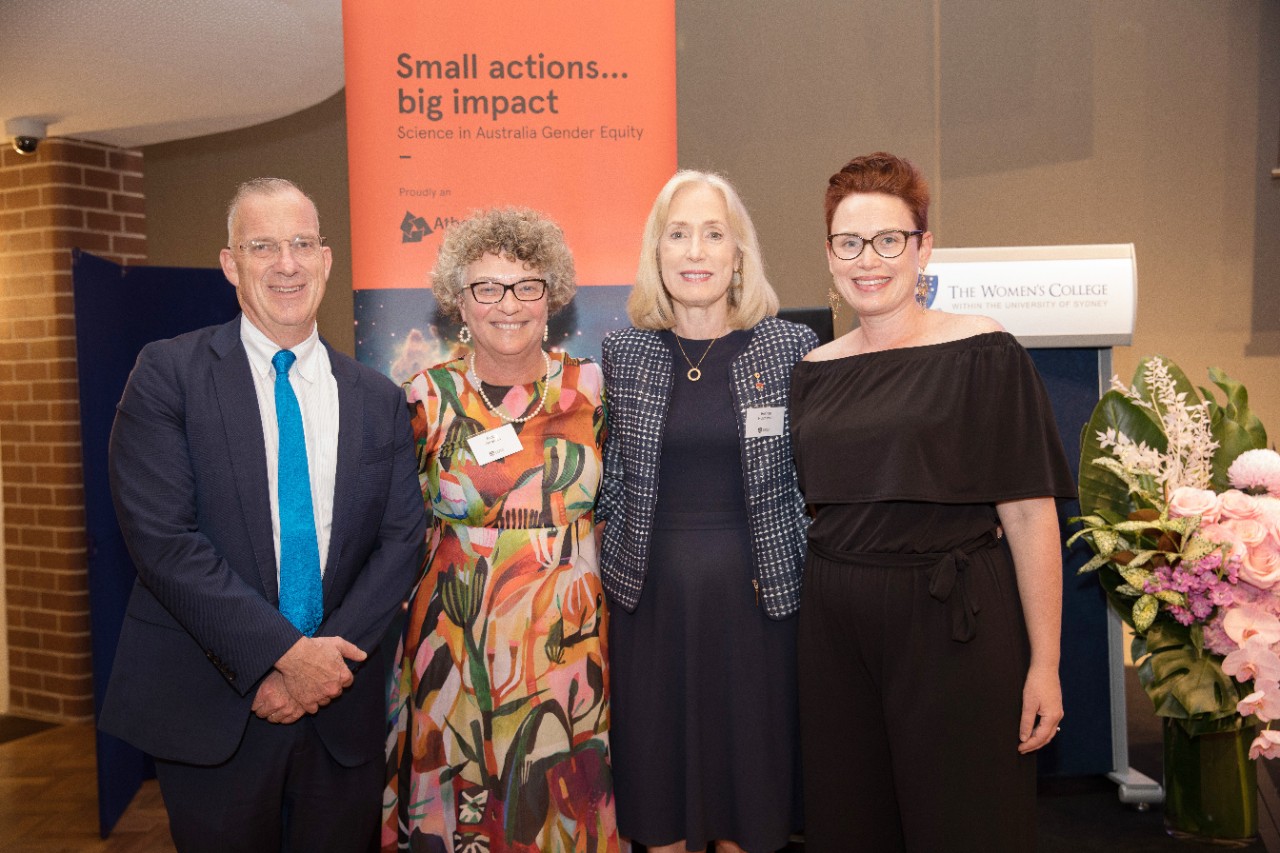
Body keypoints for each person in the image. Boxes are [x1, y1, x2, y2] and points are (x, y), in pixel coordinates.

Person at [100, 177, 428, 852]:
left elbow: (400, 542)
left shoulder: (377, 396)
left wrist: (319, 669)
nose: (287, 264)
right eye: (263, 246)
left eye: (302, 244)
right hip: (214, 706)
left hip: (341, 709)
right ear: (230, 263)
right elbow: (165, 541)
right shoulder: (168, 374)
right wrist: (281, 657)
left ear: (326, 259)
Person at [789, 152, 1077, 852]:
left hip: (952, 623)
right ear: (829, 255)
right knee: (851, 823)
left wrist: (1045, 663)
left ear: (923, 248)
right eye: (849, 242)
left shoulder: (984, 351)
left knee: (966, 822)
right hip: (835, 626)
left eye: (889, 240)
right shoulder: (813, 371)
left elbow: (1030, 515)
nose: (868, 260)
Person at [382, 208, 619, 852]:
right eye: (487, 287)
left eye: (526, 286)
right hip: (456, 651)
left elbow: (622, 511)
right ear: (459, 301)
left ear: (552, 297)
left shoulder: (594, 390)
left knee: (558, 804)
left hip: (569, 648)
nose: (507, 305)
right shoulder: (424, 398)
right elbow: (394, 529)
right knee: (468, 819)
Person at [598, 171, 816, 853]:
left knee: (748, 803)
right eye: (679, 234)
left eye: (714, 234)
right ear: (656, 253)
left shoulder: (789, 348)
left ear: (738, 254)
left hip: (758, 610)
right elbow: (609, 486)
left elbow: (814, 481)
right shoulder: (623, 354)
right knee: (658, 799)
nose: (696, 251)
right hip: (650, 610)